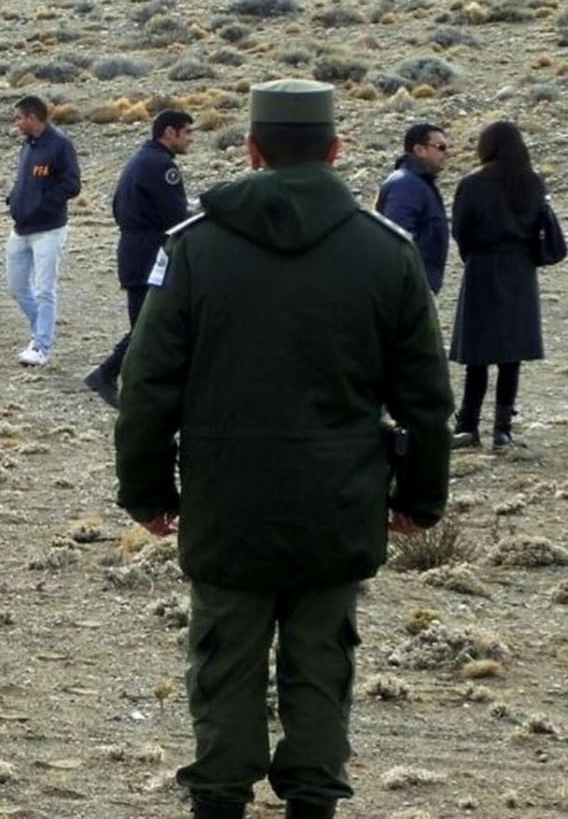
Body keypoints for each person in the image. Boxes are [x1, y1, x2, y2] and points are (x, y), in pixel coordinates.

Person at [115, 79, 452, 819]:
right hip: (340, 498)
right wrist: (420, 498)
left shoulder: (196, 248)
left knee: (224, 659)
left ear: (252, 150)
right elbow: (427, 399)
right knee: (322, 663)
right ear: (335, 151)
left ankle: (220, 799)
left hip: (227, 498)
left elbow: (147, 385)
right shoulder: (384, 252)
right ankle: (313, 801)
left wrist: (147, 492)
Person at [448, 120, 549, 450]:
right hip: (520, 270)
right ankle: (502, 431)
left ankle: (467, 424)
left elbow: (461, 231)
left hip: (483, 267)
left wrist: (474, 255)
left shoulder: (472, 184)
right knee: (511, 354)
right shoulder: (532, 183)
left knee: (477, 353)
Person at [85, 107, 194, 406]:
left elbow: (118, 206)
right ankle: (108, 374)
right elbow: (176, 216)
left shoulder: (141, 160)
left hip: (134, 249)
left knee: (147, 324)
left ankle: (118, 377)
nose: (191, 139)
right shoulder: (161, 166)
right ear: (169, 132)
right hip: (150, 254)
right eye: (187, 132)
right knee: (148, 324)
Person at [4, 94, 82, 366]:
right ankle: (41, 331)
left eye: (19, 118)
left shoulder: (60, 145)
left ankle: (41, 347)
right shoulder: (28, 145)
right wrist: (14, 199)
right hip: (21, 228)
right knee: (16, 285)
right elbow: (24, 180)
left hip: (48, 229)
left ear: (32, 117)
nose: (16, 123)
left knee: (44, 289)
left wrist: (42, 204)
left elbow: (72, 184)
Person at [375, 122, 451, 292]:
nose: (447, 153)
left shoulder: (417, 183)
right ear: (420, 150)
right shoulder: (406, 184)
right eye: (441, 147)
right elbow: (397, 237)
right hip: (408, 287)